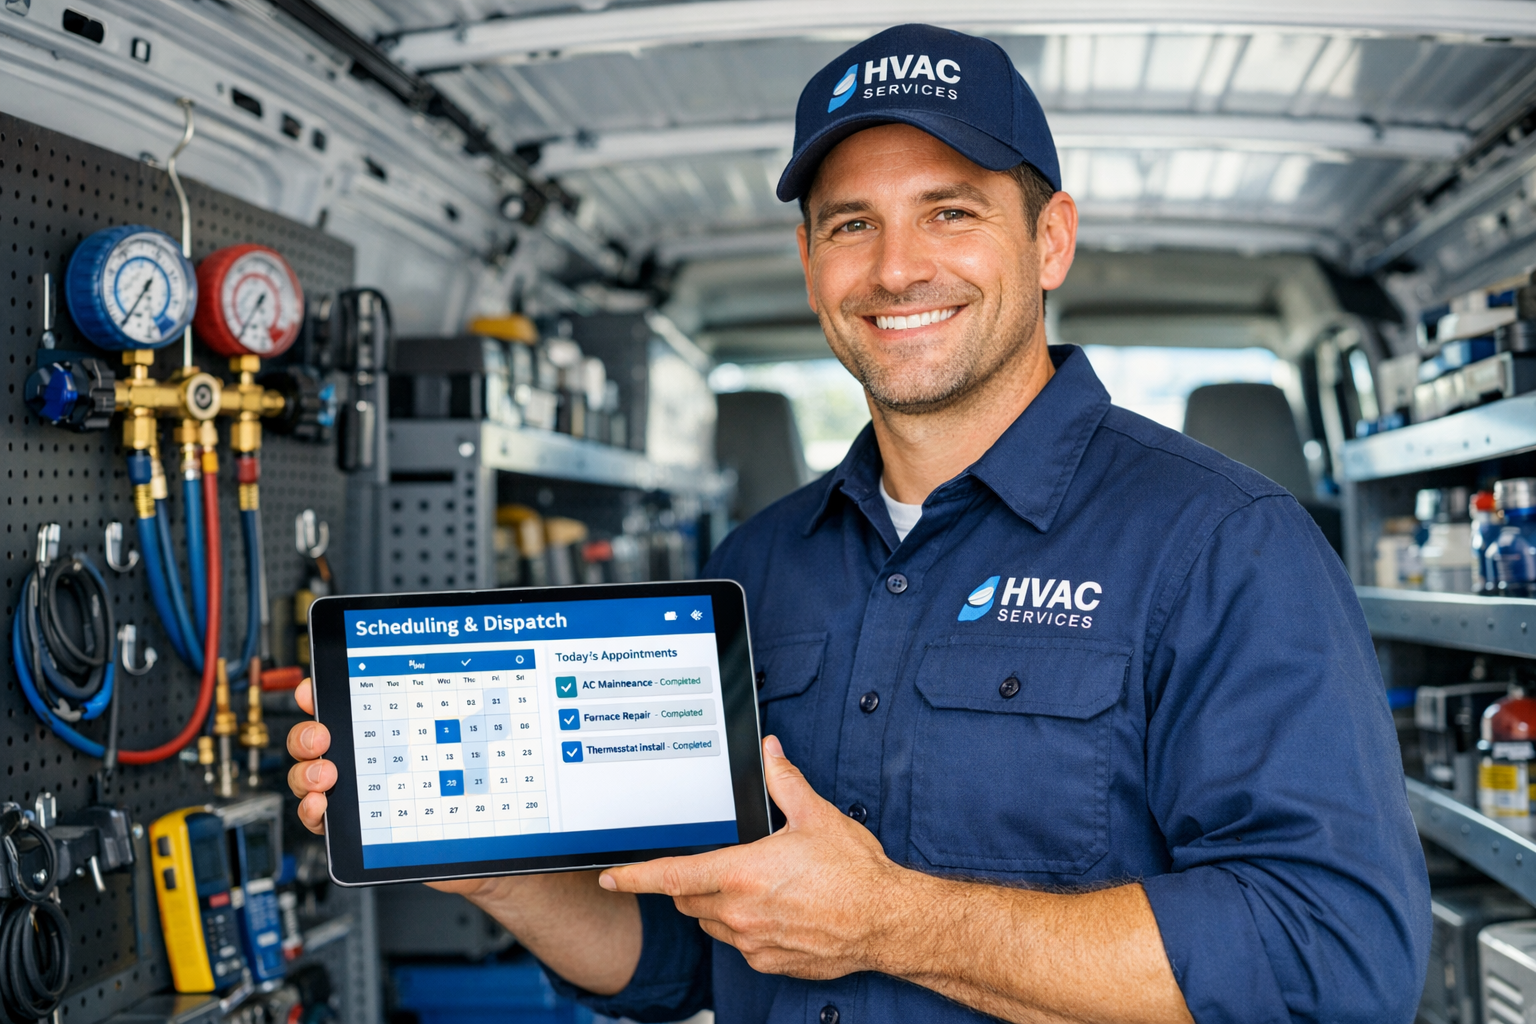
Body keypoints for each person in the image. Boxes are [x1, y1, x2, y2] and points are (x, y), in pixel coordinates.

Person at [287, 23, 1429, 1024]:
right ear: (809, 260)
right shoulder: (757, 565)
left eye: (950, 212)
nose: (896, 268)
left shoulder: (1226, 545)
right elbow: (686, 957)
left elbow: (1334, 957)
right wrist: (489, 866)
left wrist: (890, 922)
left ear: (1050, 239)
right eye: (850, 225)